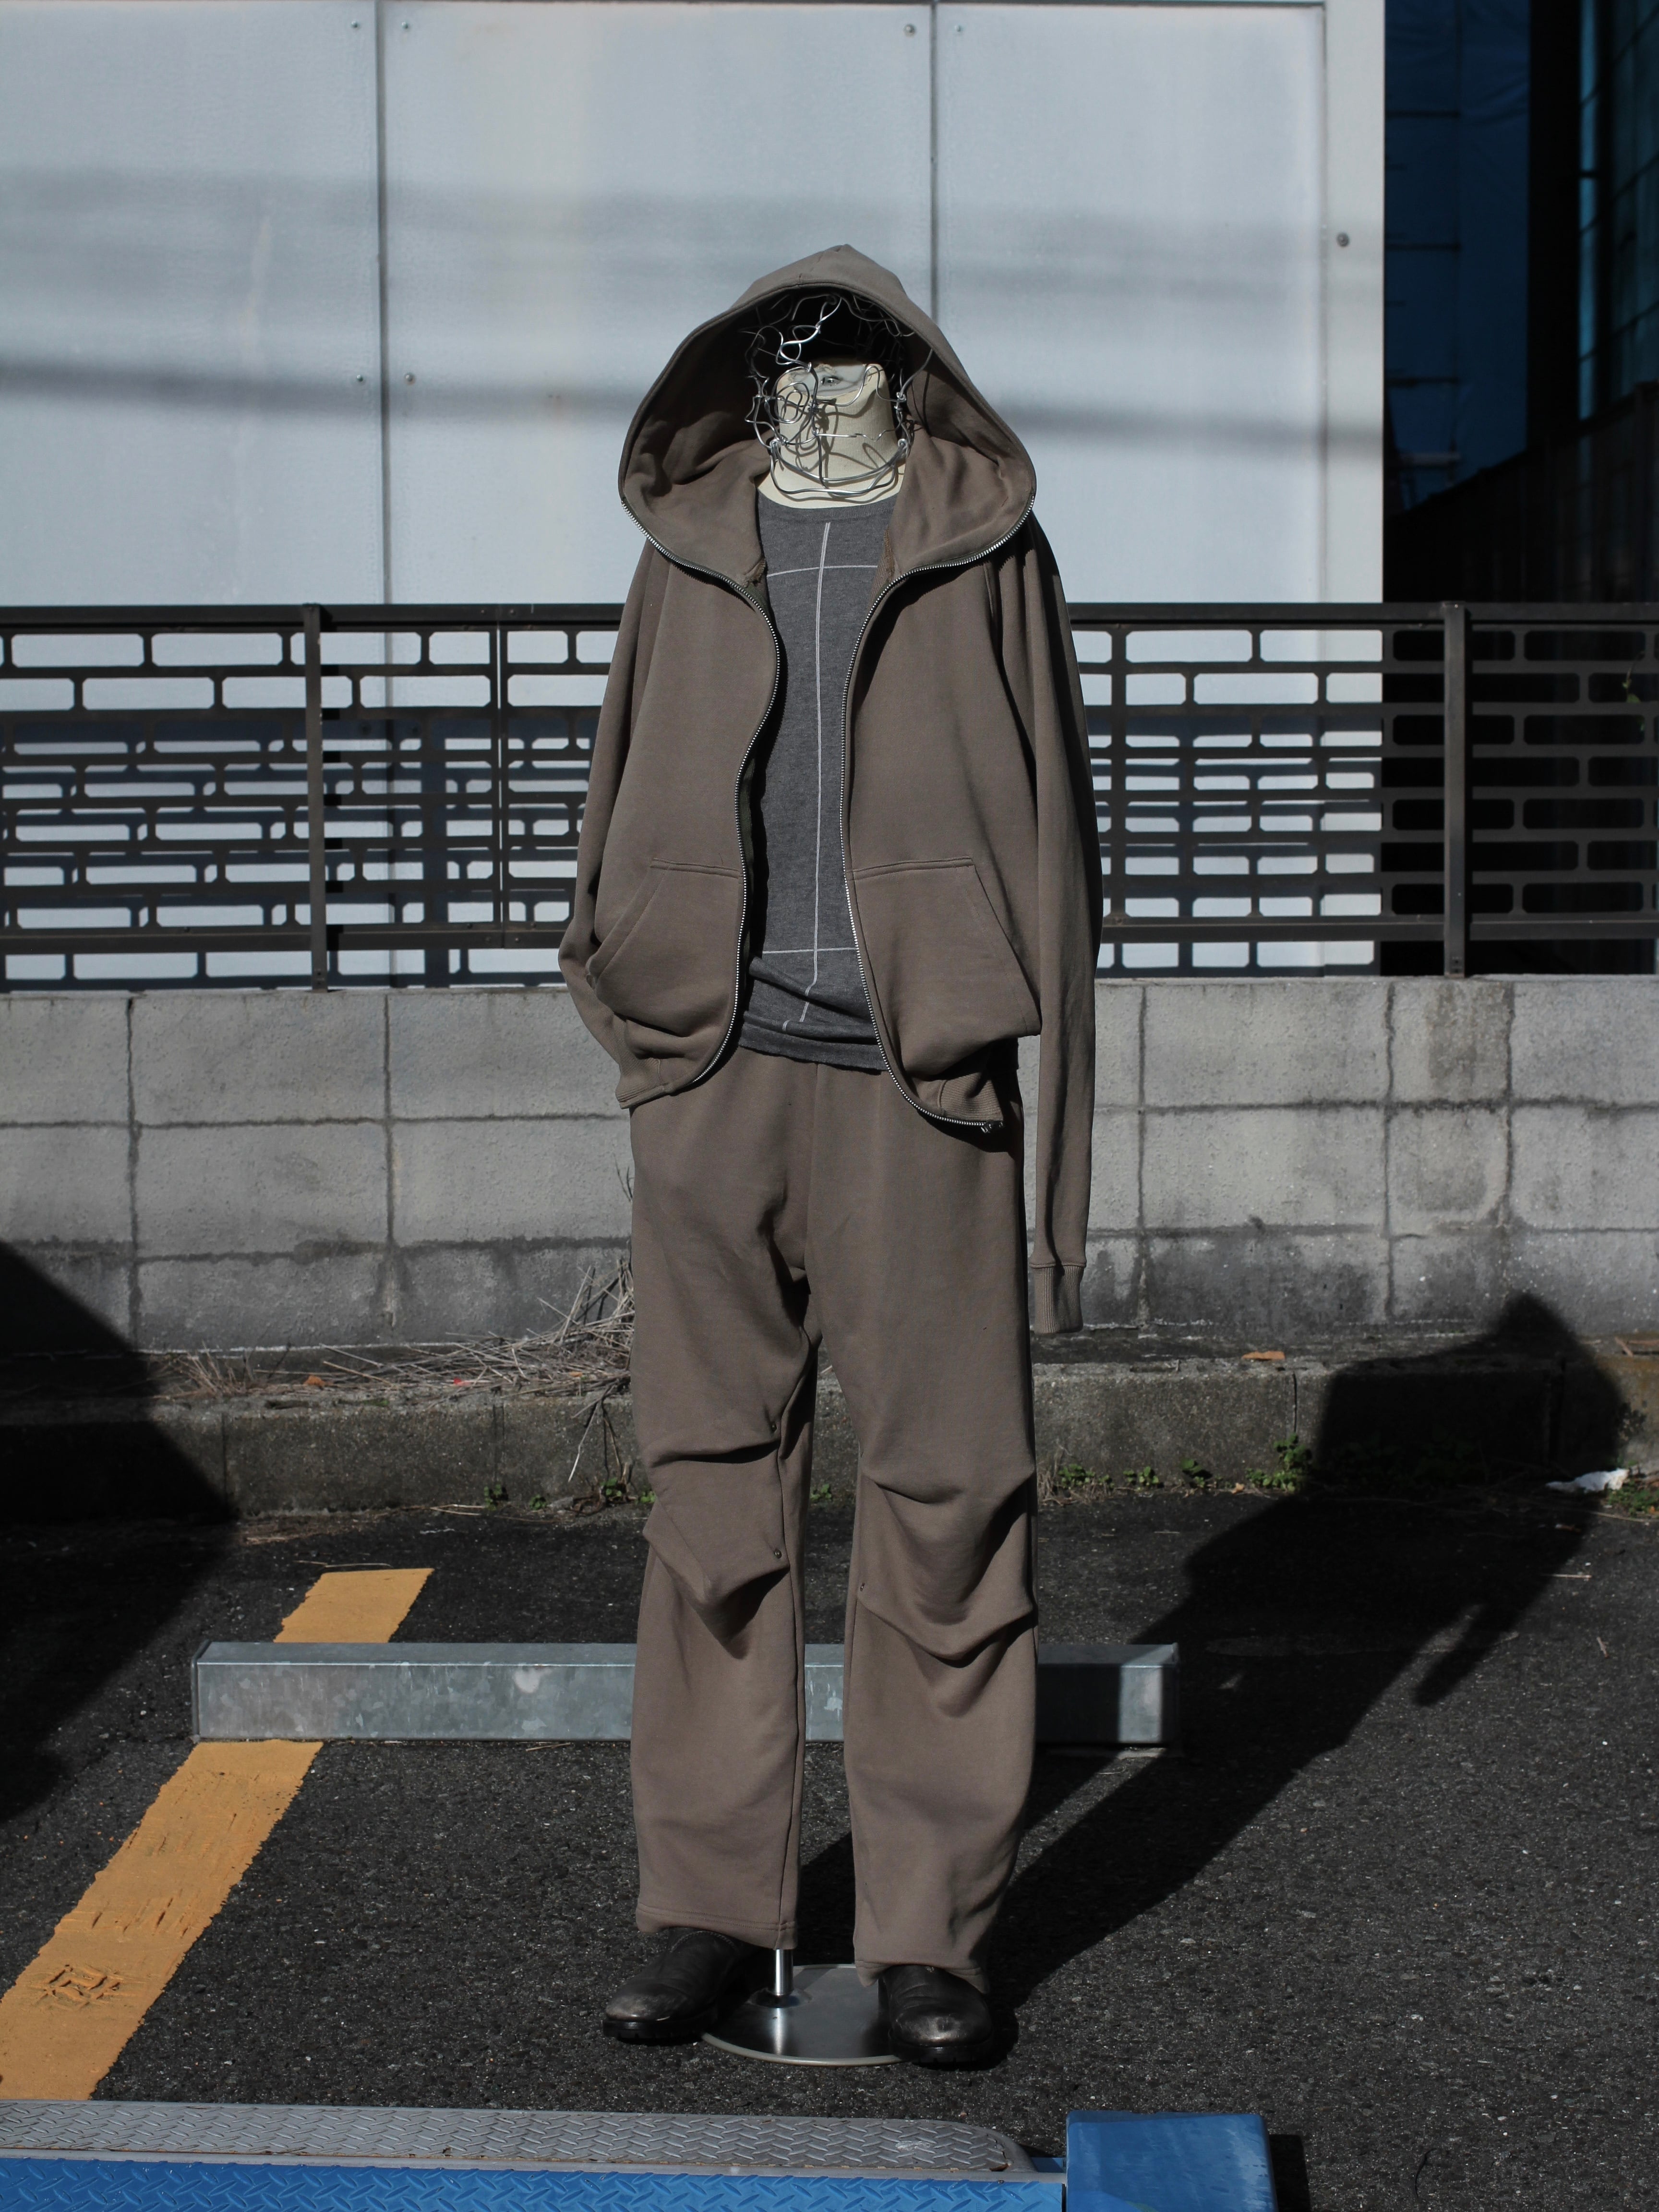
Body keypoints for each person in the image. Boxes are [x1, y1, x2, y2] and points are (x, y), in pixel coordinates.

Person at [559, 244, 1100, 2067]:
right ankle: (706, 1906)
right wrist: (629, 1003)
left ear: (907, 373)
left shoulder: (984, 544)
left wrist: (1055, 1141)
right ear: (748, 375)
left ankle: (929, 1932)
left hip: (918, 1087)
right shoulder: (690, 542)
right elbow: (622, 776)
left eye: (853, 354)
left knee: (953, 1499)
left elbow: (1060, 834)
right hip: (712, 1076)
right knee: (710, 1498)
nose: (819, 374)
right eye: (790, 355)